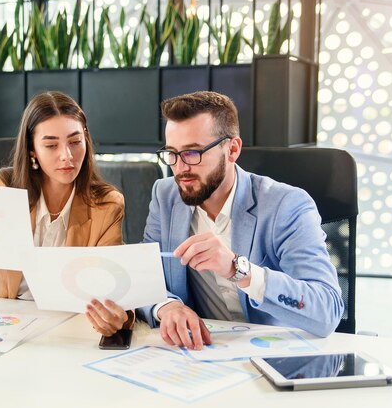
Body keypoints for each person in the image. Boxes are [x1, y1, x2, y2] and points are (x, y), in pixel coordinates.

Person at [137, 91, 343, 349]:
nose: (180, 168)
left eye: (192, 153)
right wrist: (168, 307)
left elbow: (327, 311)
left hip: (273, 352)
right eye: (172, 153)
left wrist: (238, 270)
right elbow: (146, 277)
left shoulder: (286, 205)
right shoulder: (165, 196)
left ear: (232, 149)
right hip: (200, 353)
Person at [0, 91, 132, 337]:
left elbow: (109, 285)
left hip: (61, 329)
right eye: (51, 145)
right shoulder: (0, 188)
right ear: (32, 150)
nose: (67, 156)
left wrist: (116, 315)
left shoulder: (107, 204)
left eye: (75, 141)